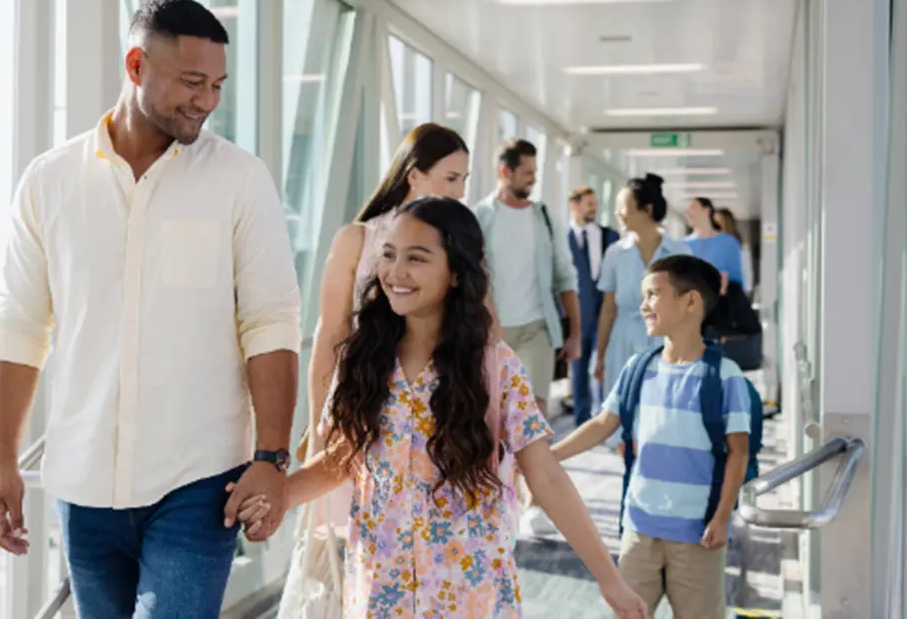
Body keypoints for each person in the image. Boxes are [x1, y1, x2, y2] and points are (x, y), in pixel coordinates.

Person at [0, 0, 300, 618]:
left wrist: (271, 459)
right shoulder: (49, 182)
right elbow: (19, 330)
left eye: (216, 85)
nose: (206, 100)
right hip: (84, 485)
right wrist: (1, 465)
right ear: (136, 66)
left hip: (200, 481)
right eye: (191, 81)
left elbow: (270, 322)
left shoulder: (239, 178)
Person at [236, 197, 647, 618]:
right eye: (389, 255)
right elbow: (342, 461)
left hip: (469, 594)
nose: (396, 272)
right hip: (381, 592)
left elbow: (546, 477)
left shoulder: (495, 366)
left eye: (417, 258)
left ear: (455, 273)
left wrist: (609, 580)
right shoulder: (364, 357)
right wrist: (278, 494)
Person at [281, 122, 471, 613]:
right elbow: (329, 336)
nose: (460, 191)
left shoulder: (457, 243)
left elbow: (479, 335)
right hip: (360, 406)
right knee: (337, 551)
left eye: (464, 179)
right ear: (414, 176)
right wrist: (322, 425)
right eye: (451, 178)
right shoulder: (358, 239)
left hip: (433, 413)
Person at [549, 255, 752, 618]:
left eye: (653, 295)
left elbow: (738, 452)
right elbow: (601, 425)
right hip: (639, 530)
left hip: (698, 537)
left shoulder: (725, 376)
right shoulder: (639, 367)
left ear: (691, 301)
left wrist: (722, 517)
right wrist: (547, 457)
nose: (643, 305)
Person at [473, 139, 582, 418]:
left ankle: (531, 463)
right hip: (492, 330)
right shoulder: (480, 217)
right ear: (505, 172)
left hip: (537, 329)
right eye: (527, 172)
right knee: (494, 414)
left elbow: (565, 276)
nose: (533, 179)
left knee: (534, 413)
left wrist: (575, 334)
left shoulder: (544, 217)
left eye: (535, 171)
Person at [594, 174, 691, 401]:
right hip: (622, 344)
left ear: (647, 209)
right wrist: (600, 355)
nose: (617, 213)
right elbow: (608, 309)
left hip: (666, 343)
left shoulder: (680, 253)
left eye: (622, 206)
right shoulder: (615, 253)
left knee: (662, 411)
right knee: (619, 415)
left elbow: (689, 309)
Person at [564, 186, 620, 426]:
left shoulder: (609, 236)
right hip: (577, 311)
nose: (594, 208)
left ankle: (606, 417)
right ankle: (582, 420)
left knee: (605, 362)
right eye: (588, 203)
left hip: (605, 308)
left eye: (595, 203)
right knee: (579, 366)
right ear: (574, 206)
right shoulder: (563, 238)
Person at [684, 197, 746, 293]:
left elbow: (737, 280)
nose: (688, 212)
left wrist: (725, 286)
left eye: (693, 207)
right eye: (687, 210)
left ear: (706, 210)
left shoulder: (729, 243)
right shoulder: (683, 244)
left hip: (722, 302)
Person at [714, 207, 755, 297]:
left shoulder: (739, 244)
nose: (716, 224)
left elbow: (746, 269)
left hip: (733, 291)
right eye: (714, 221)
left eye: (720, 221)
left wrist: (746, 291)